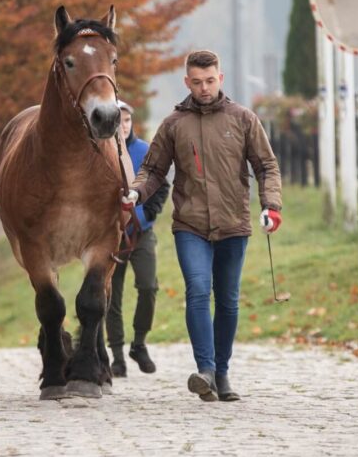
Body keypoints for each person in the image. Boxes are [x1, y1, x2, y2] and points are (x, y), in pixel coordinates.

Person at [123, 50, 282, 402]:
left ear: (220, 79)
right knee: (197, 289)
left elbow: (267, 166)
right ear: (187, 82)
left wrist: (272, 205)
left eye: (210, 81)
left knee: (227, 301)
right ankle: (205, 370)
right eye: (197, 82)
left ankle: (222, 374)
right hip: (190, 224)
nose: (205, 88)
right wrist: (135, 193)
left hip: (233, 224)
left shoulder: (243, 119)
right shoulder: (174, 125)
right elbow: (152, 170)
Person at [107, 100, 169, 377]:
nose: (122, 126)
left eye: (127, 120)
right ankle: (116, 354)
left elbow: (161, 186)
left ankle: (139, 342)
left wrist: (149, 214)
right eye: (118, 120)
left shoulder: (145, 151)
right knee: (110, 295)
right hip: (109, 236)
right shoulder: (101, 151)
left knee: (148, 286)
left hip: (141, 233)